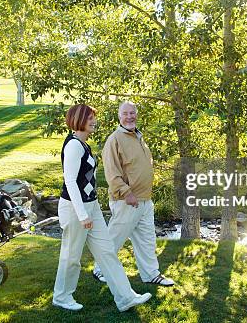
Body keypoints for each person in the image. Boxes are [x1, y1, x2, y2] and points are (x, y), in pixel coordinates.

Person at [52, 104, 152, 312]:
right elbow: (70, 182)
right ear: (79, 120)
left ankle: (125, 298)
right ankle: (62, 297)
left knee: (107, 253)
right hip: (74, 209)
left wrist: (92, 209)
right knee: (71, 256)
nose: (94, 122)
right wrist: (82, 215)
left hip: (91, 207)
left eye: (93, 118)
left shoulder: (84, 144)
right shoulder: (73, 146)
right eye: (90, 118)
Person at [92, 101, 175, 286]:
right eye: (125, 113)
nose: (130, 116)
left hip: (145, 199)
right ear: (119, 117)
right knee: (115, 238)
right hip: (127, 201)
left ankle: (151, 274)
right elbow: (112, 173)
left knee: (147, 240)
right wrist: (126, 193)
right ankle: (99, 270)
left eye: (132, 113)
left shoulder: (138, 136)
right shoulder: (114, 140)